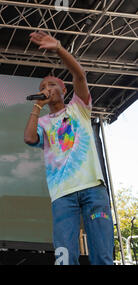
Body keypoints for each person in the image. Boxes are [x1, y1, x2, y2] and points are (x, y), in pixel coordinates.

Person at [24, 31, 114, 265]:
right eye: (44, 86)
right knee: (64, 258)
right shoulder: (44, 122)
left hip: (93, 190)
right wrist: (37, 105)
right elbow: (29, 138)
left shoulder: (79, 108)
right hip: (62, 195)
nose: (48, 88)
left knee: (102, 256)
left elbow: (80, 75)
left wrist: (59, 49)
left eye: (52, 84)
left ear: (64, 91)